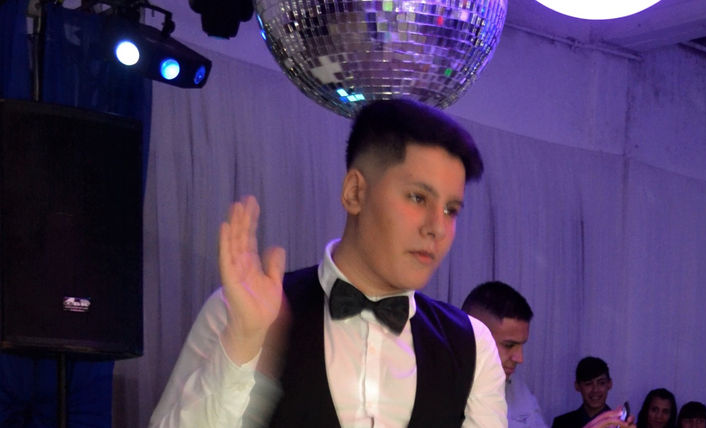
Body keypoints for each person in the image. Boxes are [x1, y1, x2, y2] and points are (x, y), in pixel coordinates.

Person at [149, 98, 507, 427]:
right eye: (418, 198)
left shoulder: (473, 345)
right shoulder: (238, 310)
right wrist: (242, 343)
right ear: (355, 192)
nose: (437, 228)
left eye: (451, 210)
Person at [462, 280, 548, 428]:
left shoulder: (520, 391)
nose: (520, 358)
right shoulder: (434, 389)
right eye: (509, 345)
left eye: (521, 345)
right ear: (472, 337)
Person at [552, 356, 617, 428]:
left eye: (601, 383)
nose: (595, 390)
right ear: (577, 386)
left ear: (609, 384)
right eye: (588, 384)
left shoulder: (620, 423)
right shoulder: (561, 424)